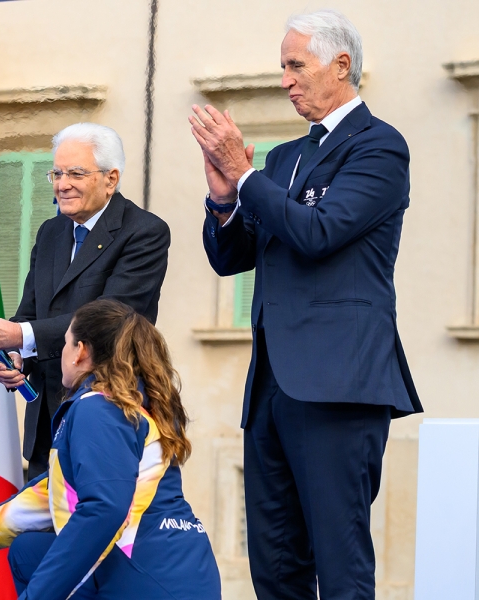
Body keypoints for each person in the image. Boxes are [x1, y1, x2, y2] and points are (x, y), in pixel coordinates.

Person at [188, 9, 422, 599]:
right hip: (271, 383)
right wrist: (223, 200)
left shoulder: (380, 146)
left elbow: (318, 233)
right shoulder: (284, 159)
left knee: (339, 566)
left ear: (341, 66)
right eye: (283, 67)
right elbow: (234, 256)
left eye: (297, 65)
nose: (286, 79)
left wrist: (244, 173)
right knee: (275, 566)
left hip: (338, 385)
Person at [0, 299, 221, 599]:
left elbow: (104, 510)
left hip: (151, 581)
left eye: (66, 342)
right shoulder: (136, 409)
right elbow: (26, 508)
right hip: (186, 572)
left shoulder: (98, 409)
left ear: (80, 352)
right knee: (29, 550)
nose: (61, 351)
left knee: (34, 552)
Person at [0, 123, 171, 477]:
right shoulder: (50, 233)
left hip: (107, 415)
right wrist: (17, 356)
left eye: (76, 173)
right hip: (45, 423)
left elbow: (111, 319)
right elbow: (29, 312)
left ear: (111, 178)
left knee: (95, 523)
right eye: (56, 173)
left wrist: (20, 336)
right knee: (38, 527)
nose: (62, 184)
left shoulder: (145, 232)